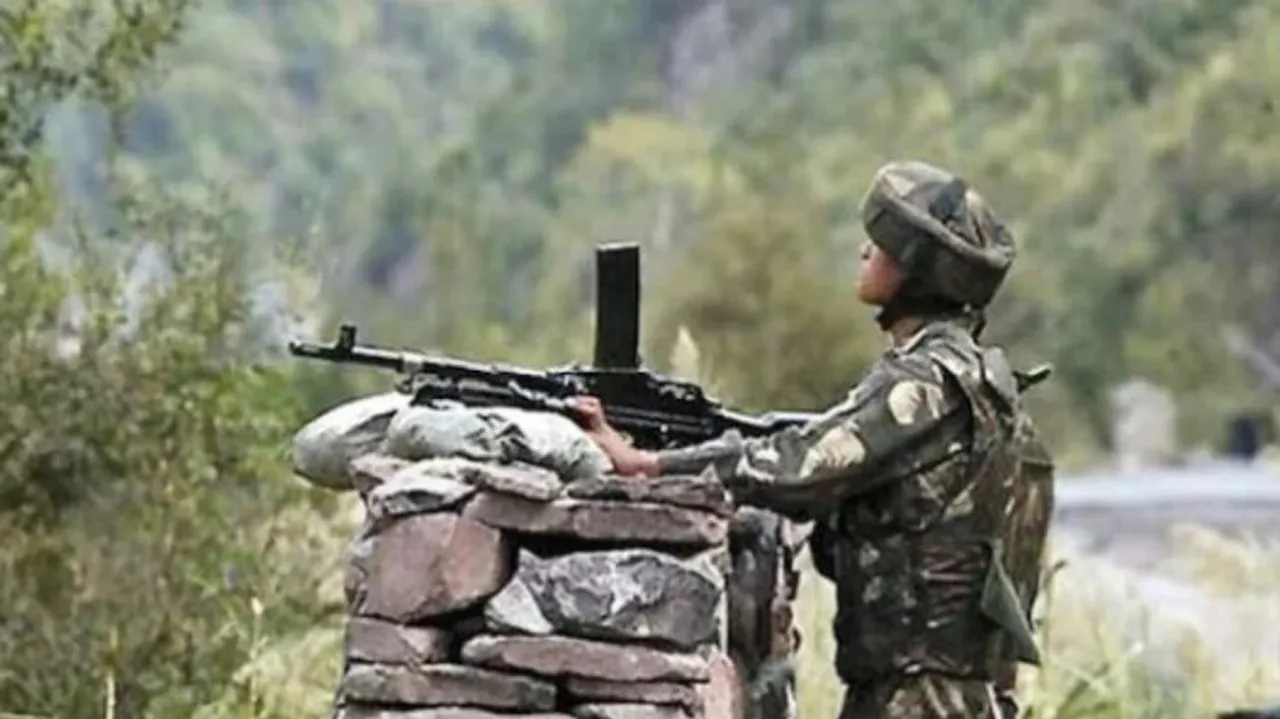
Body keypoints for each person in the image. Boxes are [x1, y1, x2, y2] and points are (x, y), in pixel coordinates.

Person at [570, 159, 1054, 718]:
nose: (864, 254)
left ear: (914, 274)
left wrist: (645, 464)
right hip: (939, 689)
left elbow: (803, 464)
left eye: (880, 246)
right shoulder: (979, 381)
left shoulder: (924, 384)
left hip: (919, 693)